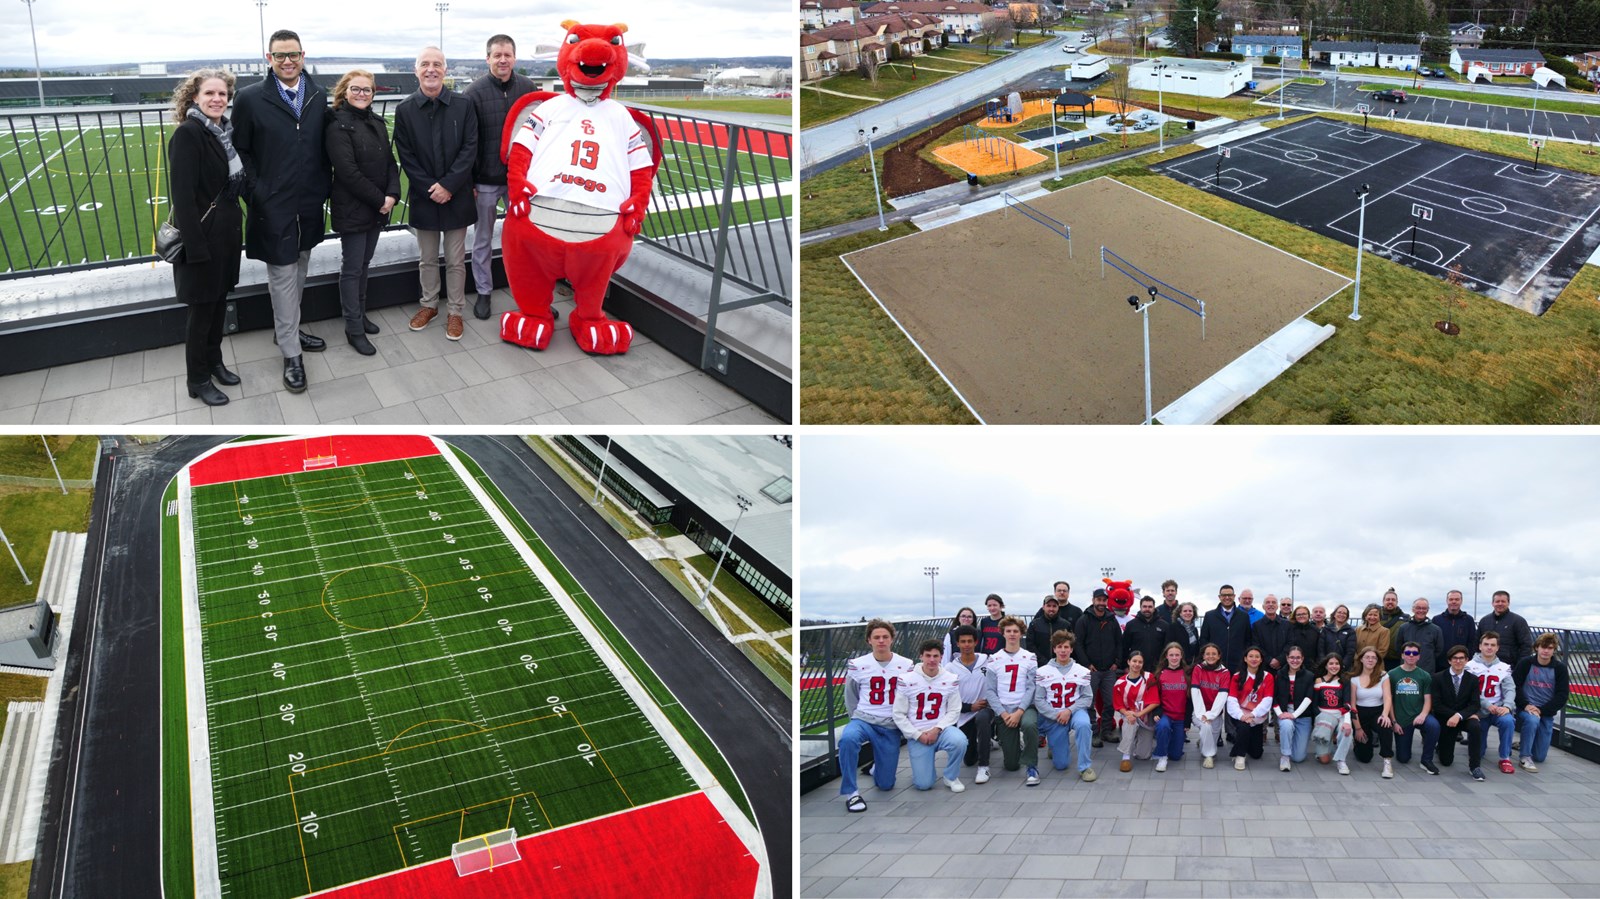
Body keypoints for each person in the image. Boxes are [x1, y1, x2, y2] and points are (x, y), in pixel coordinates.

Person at [231, 28, 330, 393]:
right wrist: (258, 192)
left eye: (293, 54)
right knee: (283, 276)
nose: (287, 61)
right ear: (268, 58)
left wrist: (321, 187)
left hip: (308, 202)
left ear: (303, 55)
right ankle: (291, 353)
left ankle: (288, 330)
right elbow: (240, 150)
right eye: (280, 55)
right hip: (274, 205)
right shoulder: (249, 98)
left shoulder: (318, 94)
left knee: (300, 267)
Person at [167, 69, 245, 407]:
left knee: (217, 309)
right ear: (194, 97)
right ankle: (197, 380)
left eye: (222, 94)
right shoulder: (189, 134)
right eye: (210, 93)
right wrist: (197, 250)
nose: (217, 99)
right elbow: (183, 199)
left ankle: (215, 363)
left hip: (225, 237)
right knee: (201, 316)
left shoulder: (224, 132)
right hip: (202, 242)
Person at [396, 46, 479, 342]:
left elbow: (470, 148)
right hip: (425, 196)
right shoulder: (405, 109)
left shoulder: (464, 104)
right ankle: (429, 305)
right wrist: (431, 188)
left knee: (456, 260)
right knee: (427, 259)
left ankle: (455, 311)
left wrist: (449, 186)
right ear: (416, 70)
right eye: (425, 64)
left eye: (437, 64)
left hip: (456, 195)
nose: (431, 69)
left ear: (445, 69)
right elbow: (406, 156)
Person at [325, 69, 400, 356]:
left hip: (376, 207)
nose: (361, 94)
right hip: (355, 208)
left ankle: (361, 314)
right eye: (355, 89)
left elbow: (390, 162)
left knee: (364, 265)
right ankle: (353, 327)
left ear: (373, 93)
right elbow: (347, 172)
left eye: (367, 89)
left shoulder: (376, 121)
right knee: (353, 268)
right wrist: (381, 200)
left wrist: (393, 194)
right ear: (345, 92)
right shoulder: (336, 125)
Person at [463, 34, 537, 320]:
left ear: (514, 58)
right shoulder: (474, 92)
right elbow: (468, 141)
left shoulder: (528, 87)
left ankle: (534, 294)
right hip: (485, 180)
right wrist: (470, 181)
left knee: (528, 240)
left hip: (520, 180)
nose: (503, 60)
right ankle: (484, 291)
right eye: (497, 55)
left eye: (507, 55)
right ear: (488, 59)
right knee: (482, 239)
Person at [836, 619, 914, 812]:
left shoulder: (906, 665)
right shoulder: (858, 664)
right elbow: (851, 696)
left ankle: (875, 768)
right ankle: (851, 793)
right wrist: (855, 718)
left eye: (885, 637)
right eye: (876, 637)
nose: (881, 641)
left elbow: (911, 696)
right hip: (864, 719)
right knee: (847, 739)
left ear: (892, 639)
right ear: (869, 640)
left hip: (890, 724)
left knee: (886, 785)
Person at [893, 640, 969, 793]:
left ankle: (951, 776)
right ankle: (924, 771)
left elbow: (954, 710)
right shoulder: (906, 679)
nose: (932, 660)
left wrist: (937, 729)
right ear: (921, 656)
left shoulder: (950, 678)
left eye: (936, 656)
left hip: (941, 731)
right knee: (924, 784)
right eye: (928, 655)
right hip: (917, 733)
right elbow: (898, 713)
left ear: (941, 657)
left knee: (960, 740)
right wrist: (917, 735)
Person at [983, 616, 1040, 784]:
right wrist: (1003, 713)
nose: (1012, 634)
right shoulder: (994, 659)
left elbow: (1031, 687)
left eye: (1016, 631)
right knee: (1011, 765)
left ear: (1021, 633)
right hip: (1004, 710)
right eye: (1008, 631)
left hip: (1025, 707)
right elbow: (990, 690)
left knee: (1029, 725)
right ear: (1003, 633)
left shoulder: (1029, 657)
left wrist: (1019, 712)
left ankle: (1032, 765)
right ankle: (1016, 746)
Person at [1034, 629, 1096, 782]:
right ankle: (1054, 746)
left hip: (1074, 711)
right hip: (1054, 714)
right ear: (1054, 649)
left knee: (1084, 725)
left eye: (1066, 647)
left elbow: (1087, 697)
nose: (1063, 650)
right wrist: (1056, 714)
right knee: (1061, 765)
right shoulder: (1043, 671)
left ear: (1071, 649)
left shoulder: (1081, 671)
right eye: (1059, 646)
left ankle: (1085, 766)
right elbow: (1039, 699)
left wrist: (1069, 710)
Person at [1513, 633, 1570, 772]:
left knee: (1539, 757)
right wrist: (1526, 705)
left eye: (1550, 648)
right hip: (1526, 708)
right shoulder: (1526, 663)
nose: (1546, 651)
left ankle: (1525, 743)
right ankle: (1525, 757)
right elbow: (1514, 686)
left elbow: (1562, 695)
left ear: (1554, 649)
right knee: (1532, 720)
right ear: (1536, 647)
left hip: (1545, 712)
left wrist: (1542, 710)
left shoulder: (1560, 669)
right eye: (1543, 647)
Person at [1073, 588, 1122, 747]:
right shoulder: (1084, 619)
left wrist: (1117, 662)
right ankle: (1093, 733)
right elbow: (1078, 644)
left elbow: (1119, 642)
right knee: (1089, 702)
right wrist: (1087, 664)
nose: (1101, 603)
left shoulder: (1112, 619)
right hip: (1091, 670)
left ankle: (1106, 731)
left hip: (1109, 670)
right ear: (1093, 600)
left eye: (1104, 600)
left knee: (1110, 702)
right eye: (1099, 600)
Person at [946, 626, 994, 783]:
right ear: (957, 644)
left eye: (969, 641)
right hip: (965, 714)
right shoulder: (950, 668)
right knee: (969, 760)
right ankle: (984, 741)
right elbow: (946, 699)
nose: (966, 645)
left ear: (975, 642)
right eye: (963, 641)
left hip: (985, 709)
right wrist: (969, 707)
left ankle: (984, 766)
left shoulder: (988, 661)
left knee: (982, 719)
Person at [1468, 631, 1517, 775]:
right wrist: (1487, 705)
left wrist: (1507, 706)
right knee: (1479, 752)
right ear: (1480, 646)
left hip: (1498, 709)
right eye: (1486, 644)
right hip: (1478, 710)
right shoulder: (1469, 666)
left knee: (1508, 721)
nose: (1489, 648)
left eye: (1493, 645)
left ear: (1497, 648)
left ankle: (1505, 757)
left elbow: (1510, 689)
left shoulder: (1504, 667)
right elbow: (1470, 692)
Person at [1434, 645, 1485, 781]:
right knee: (1446, 761)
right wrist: (1453, 715)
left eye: (1461, 658)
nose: (1458, 661)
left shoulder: (1473, 679)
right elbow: (1436, 705)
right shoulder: (1438, 678)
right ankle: (1440, 747)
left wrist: (1459, 715)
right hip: (1446, 719)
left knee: (1475, 726)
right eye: (1455, 658)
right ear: (1449, 661)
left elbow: (1475, 704)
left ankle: (1475, 767)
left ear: (1467, 660)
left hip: (1463, 717)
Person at [1391, 641, 1440, 774]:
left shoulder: (1424, 675)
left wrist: (1423, 715)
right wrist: (1394, 722)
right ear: (1402, 655)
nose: (1411, 655)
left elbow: (1428, 699)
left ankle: (1426, 760)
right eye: (1408, 653)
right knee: (1403, 758)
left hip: (1419, 715)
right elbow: (1389, 701)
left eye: (1414, 653)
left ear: (1419, 656)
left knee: (1434, 726)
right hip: (1401, 719)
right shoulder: (1392, 674)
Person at [1349, 646, 1396, 778]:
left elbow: (1387, 697)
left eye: (1374, 658)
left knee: (1385, 726)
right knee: (1365, 758)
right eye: (1367, 657)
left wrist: (1385, 715)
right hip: (1360, 714)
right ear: (1361, 659)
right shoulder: (1354, 678)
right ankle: (1357, 743)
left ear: (1377, 661)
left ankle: (1387, 760)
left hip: (1377, 712)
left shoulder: (1383, 675)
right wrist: (1358, 728)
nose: (1370, 660)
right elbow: (1352, 705)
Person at [1228, 646, 1274, 770]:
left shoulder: (1268, 677)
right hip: (1240, 715)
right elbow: (1231, 700)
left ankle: (1240, 742)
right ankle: (1240, 755)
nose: (1254, 659)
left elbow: (1267, 700)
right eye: (1251, 656)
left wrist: (1252, 714)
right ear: (1245, 659)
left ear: (1261, 660)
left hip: (1256, 717)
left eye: (1257, 657)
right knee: (1244, 727)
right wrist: (1241, 716)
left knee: (1256, 754)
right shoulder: (1237, 676)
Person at [1309, 653, 1354, 775]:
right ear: (1326, 665)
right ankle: (1327, 742)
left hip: (1340, 715)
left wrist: (1347, 722)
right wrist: (1319, 720)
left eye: (1337, 663)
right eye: (1331, 663)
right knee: (1325, 760)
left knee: (1347, 731)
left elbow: (1347, 703)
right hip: (1324, 718)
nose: (1334, 666)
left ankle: (1341, 760)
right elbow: (1314, 705)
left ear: (1341, 665)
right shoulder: (1318, 680)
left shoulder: (1344, 681)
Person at [1113, 649, 1158, 771]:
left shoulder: (1149, 677)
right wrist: (1129, 714)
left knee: (1143, 756)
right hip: (1130, 716)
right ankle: (1125, 757)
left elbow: (1155, 702)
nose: (1137, 664)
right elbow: (1118, 705)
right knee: (1130, 722)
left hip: (1146, 716)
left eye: (1140, 662)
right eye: (1134, 661)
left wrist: (1139, 714)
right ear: (1128, 662)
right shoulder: (1120, 683)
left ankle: (1138, 739)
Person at [1189, 643, 1231, 768]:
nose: (1210, 656)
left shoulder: (1225, 672)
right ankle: (1209, 756)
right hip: (1199, 712)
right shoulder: (1198, 668)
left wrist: (1211, 715)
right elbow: (1195, 692)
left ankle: (1203, 740)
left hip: (1215, 713)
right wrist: (1203, 714)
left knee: (1210, 733)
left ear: (1219, 656)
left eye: (1214, 654)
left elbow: (1222, 696)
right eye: (1207, 654)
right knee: (1206, 726)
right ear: (1203, 656)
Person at [1274, 645, 1315, 770]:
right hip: (1285, 713)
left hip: (1303, 716)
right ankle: (1285, 756)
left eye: (1298, 658)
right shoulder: (1279, 674)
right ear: (1287, 658)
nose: (1295, 660)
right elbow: (1274, 697)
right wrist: (1280, 714)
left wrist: (1294, 715)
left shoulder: (1309, 676)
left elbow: (1309, 698)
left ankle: (1292, 742)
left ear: (1302, 659)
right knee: (1286, 725)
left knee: (1298, 758)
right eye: (1292, 657)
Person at [1152, 642, 1189, 772]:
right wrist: (1156, 712)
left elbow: (1190, 700)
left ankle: (1169, 742)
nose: (1174, 658)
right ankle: (1162, 757)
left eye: (1177, 655)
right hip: (1166, 714)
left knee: (1176, 756)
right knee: (1163, 726)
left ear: (1181, 656)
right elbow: (1155, 697)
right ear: (1166, 656)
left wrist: (1188, 721)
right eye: (1171, 655)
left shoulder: (1187, 673)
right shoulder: (1159, 674)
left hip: (1180, 717)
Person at [1200, 585, 1251, 673]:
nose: (1227, 597)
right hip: (1215, 664)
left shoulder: (1244, 616)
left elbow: (1248, 640)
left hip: (1238, 665)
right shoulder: (1210, 616)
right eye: (1224, 595)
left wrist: (1243, 657)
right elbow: (1204, 639)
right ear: (1219, 597)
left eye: (1229, 595)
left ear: (1234, 596)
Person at [1478, 591, 1533, 671]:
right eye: (1497, 601)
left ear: (1508, 603)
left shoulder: (1518, 621)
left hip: (1510, 667)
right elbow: (1477, 644)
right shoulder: (1484, 621)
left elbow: (1526, 646)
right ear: (1492, 603)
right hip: (1485, 667)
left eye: (1503, 601)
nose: (1500, 604)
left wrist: (1519, 667)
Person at [1396, 598, 1446, 674]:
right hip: (1406, 669)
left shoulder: (1436, 629)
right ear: (1413, 609)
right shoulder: (1403, 628)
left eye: (1424, 608)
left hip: (1427, 671)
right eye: (1418, 608)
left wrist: (1426, 659)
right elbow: (1398, 648)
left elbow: (1439, 650)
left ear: (1427, 610)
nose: (1421, 610)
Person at [1122, 595, 1168, 674]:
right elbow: (1124, 647)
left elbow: (1167, 648)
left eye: (1150, 607)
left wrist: (1165, 666)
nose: (1147, 609)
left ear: (1154, 608)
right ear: (1140, 607)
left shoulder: (1164, 625)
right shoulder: (1131, 625)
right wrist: (1125, 666)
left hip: (1158, 669)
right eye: (1144, 606)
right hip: (1136, 668)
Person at [1027, 594, 1073, 668]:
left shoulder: (1066, 625)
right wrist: (1043, 662)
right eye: (1048, 606)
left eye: (1054, 606)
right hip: (1039, 665)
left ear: (1058, 607)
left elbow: (1070, 645)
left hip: (1060, 665)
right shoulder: (1034, 624)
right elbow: (1030, 645)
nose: (1051, 609)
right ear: (1043, 607)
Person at [1433, 589, 1477, 662]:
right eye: (1451, 599)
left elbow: (1472, 642)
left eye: (1457, 599)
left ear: (1461, 601)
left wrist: (1467, 658)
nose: (1454, 602)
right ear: (1447, 601)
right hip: (1440, 663)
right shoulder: (1437, 620)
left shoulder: (1468, 620)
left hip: (1461, 662)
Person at [1252, 594, 1292, 673]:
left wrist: (1280, 660)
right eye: (1268, 602)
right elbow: (1256, 645)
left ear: (1277, 606)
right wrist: (1269, 660)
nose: (1271, 604)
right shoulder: (1256, 626)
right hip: (1263, 667)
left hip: (1284, 668)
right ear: (1263, 606)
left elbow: (1290, 643)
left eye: (1273, 602)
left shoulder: (1287, 625)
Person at [1320, 604, 1357, 669]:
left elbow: (1350, 651)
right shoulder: (1326, 629)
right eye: (1339, 612)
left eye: (1344, 613)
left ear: (1347, 616)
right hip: (1327, 665)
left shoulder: (1350, 631)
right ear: (1334, 614)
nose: (1341, 615)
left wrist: (1343, 666)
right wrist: (1324, 664)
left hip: (1342, 667)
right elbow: (1320, 649)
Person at [1166, 601, 1202, 665]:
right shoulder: (1173, 627)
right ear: (1180, 613)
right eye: (1185, 611)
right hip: (1178, 663)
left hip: (1192, 663)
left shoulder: (1195, 629)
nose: (1188, 613)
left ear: (1193, 613)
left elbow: (1196, 648)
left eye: (1190, 611)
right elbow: (1168, 646)